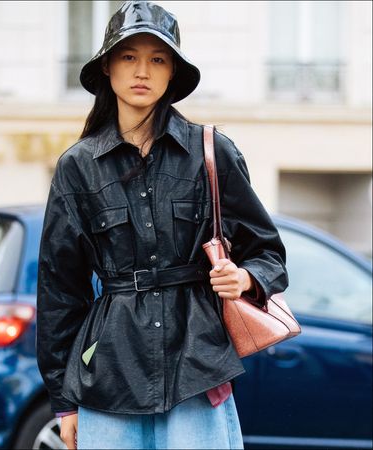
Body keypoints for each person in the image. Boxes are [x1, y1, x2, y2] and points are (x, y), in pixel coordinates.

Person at [36, 1, 288, 449]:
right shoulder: (77, 167)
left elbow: (268, 253)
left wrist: (245, 277)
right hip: (109, 371)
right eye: (129, 56)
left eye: (158, 59)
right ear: (108, 68)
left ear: (173, 73)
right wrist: (64, 401)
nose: (142, 71)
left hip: (198, 365)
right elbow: (59, 290)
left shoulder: (212, 151)